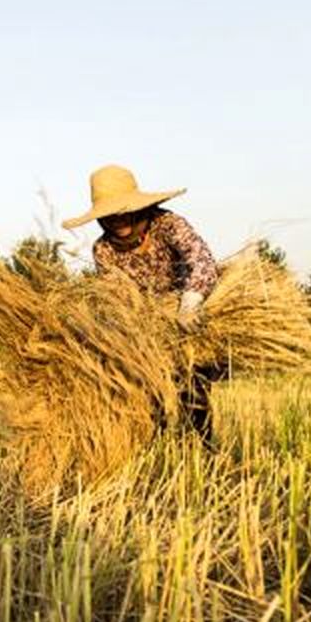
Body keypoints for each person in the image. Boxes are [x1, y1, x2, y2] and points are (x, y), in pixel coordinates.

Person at [62, 164, 221, 444]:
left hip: (186, 321)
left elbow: (201, 259)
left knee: (192, 395)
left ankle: (204, 453)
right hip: (145, 332)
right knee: (150, 404)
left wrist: (190, 302)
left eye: (124, 212)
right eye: (109, 216)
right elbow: (117, 299)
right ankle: (154, 457)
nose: (117, 221)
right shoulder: (104, 250)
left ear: (141, 207)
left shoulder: (169, 224)